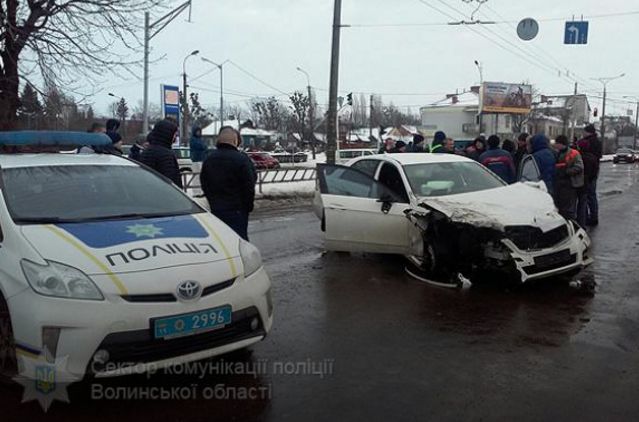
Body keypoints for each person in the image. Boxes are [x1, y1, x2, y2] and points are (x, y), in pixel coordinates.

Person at [200, 126, 256, 241]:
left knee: (222, 241)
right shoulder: (241, 159)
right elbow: (249, 185)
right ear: (235, 141)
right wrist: (248, 206)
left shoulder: (209, 159)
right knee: (239, 241)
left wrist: (212, 200)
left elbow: (204, 182)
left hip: (216, 209)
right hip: (237, 210)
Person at [139, 119, 183, 188]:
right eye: (174, 134)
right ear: (167, 134)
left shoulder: (146, 151)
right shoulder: (166, 154)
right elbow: (170, 180)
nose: (175, 137)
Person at [553, 135, 584, 222]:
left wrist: (566, 172)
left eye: (557, 143)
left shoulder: (574, 153)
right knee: (560, 206)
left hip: (570, 184)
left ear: (561, 143)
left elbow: (579, 167)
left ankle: (570, 224)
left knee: (568, 209)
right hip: (559, 184)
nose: (555, 145)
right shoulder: (557, 153)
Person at [576, 124, 603, 226]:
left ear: (588, 132)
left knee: (586, 196)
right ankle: (594, 216)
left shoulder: (587, 142)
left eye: (584, 131)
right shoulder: (597, 141)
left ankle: (587, 217)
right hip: (594, 171)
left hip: (587, 173)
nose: (583, 133)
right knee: (592, 195)